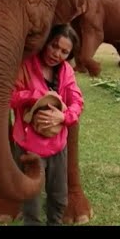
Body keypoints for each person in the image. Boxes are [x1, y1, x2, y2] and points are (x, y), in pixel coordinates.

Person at [10, 24, 84, 226]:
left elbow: (77, 102)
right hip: (29, 148)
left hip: (58, 147)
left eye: (64, 51)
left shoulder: (66, 71)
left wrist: (64, 117)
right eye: (54, 46)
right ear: (45, 43)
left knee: (59, 199)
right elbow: (9, 97)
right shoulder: (25, 66)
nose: (57, 54)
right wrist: (35, 95)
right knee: (31, 204)